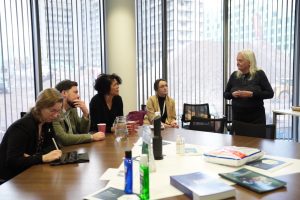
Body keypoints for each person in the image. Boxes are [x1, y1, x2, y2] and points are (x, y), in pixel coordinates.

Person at [0, 88, 63, 182]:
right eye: (52, 111)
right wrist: (42, 157)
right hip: (11, 179)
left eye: (58, 111)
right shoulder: (21, 127)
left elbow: (54, 146)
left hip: (29, 171)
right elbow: (13, 161)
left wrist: (32, 157)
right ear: (40, 107)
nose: (56, 115)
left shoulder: (46, 122)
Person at [224, 49, 274, 125]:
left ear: (249, 62)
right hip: (237, 120)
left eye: (240, 61)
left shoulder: (259, 74)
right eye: (237, 60)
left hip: (255, 120)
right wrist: (232, 95)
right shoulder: (234, 75)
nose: (237, 63)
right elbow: (226, 94)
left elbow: (270, 93)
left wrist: (252, 94)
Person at [53, 80, 105, 146]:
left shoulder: (72, 109)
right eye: (75, 92)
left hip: (74, 148)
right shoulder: (54, 113)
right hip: (62, 151)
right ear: (64, 93)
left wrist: (85, 113)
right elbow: (64, 139)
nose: (78, 96)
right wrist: (92, 137)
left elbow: (82, 131)